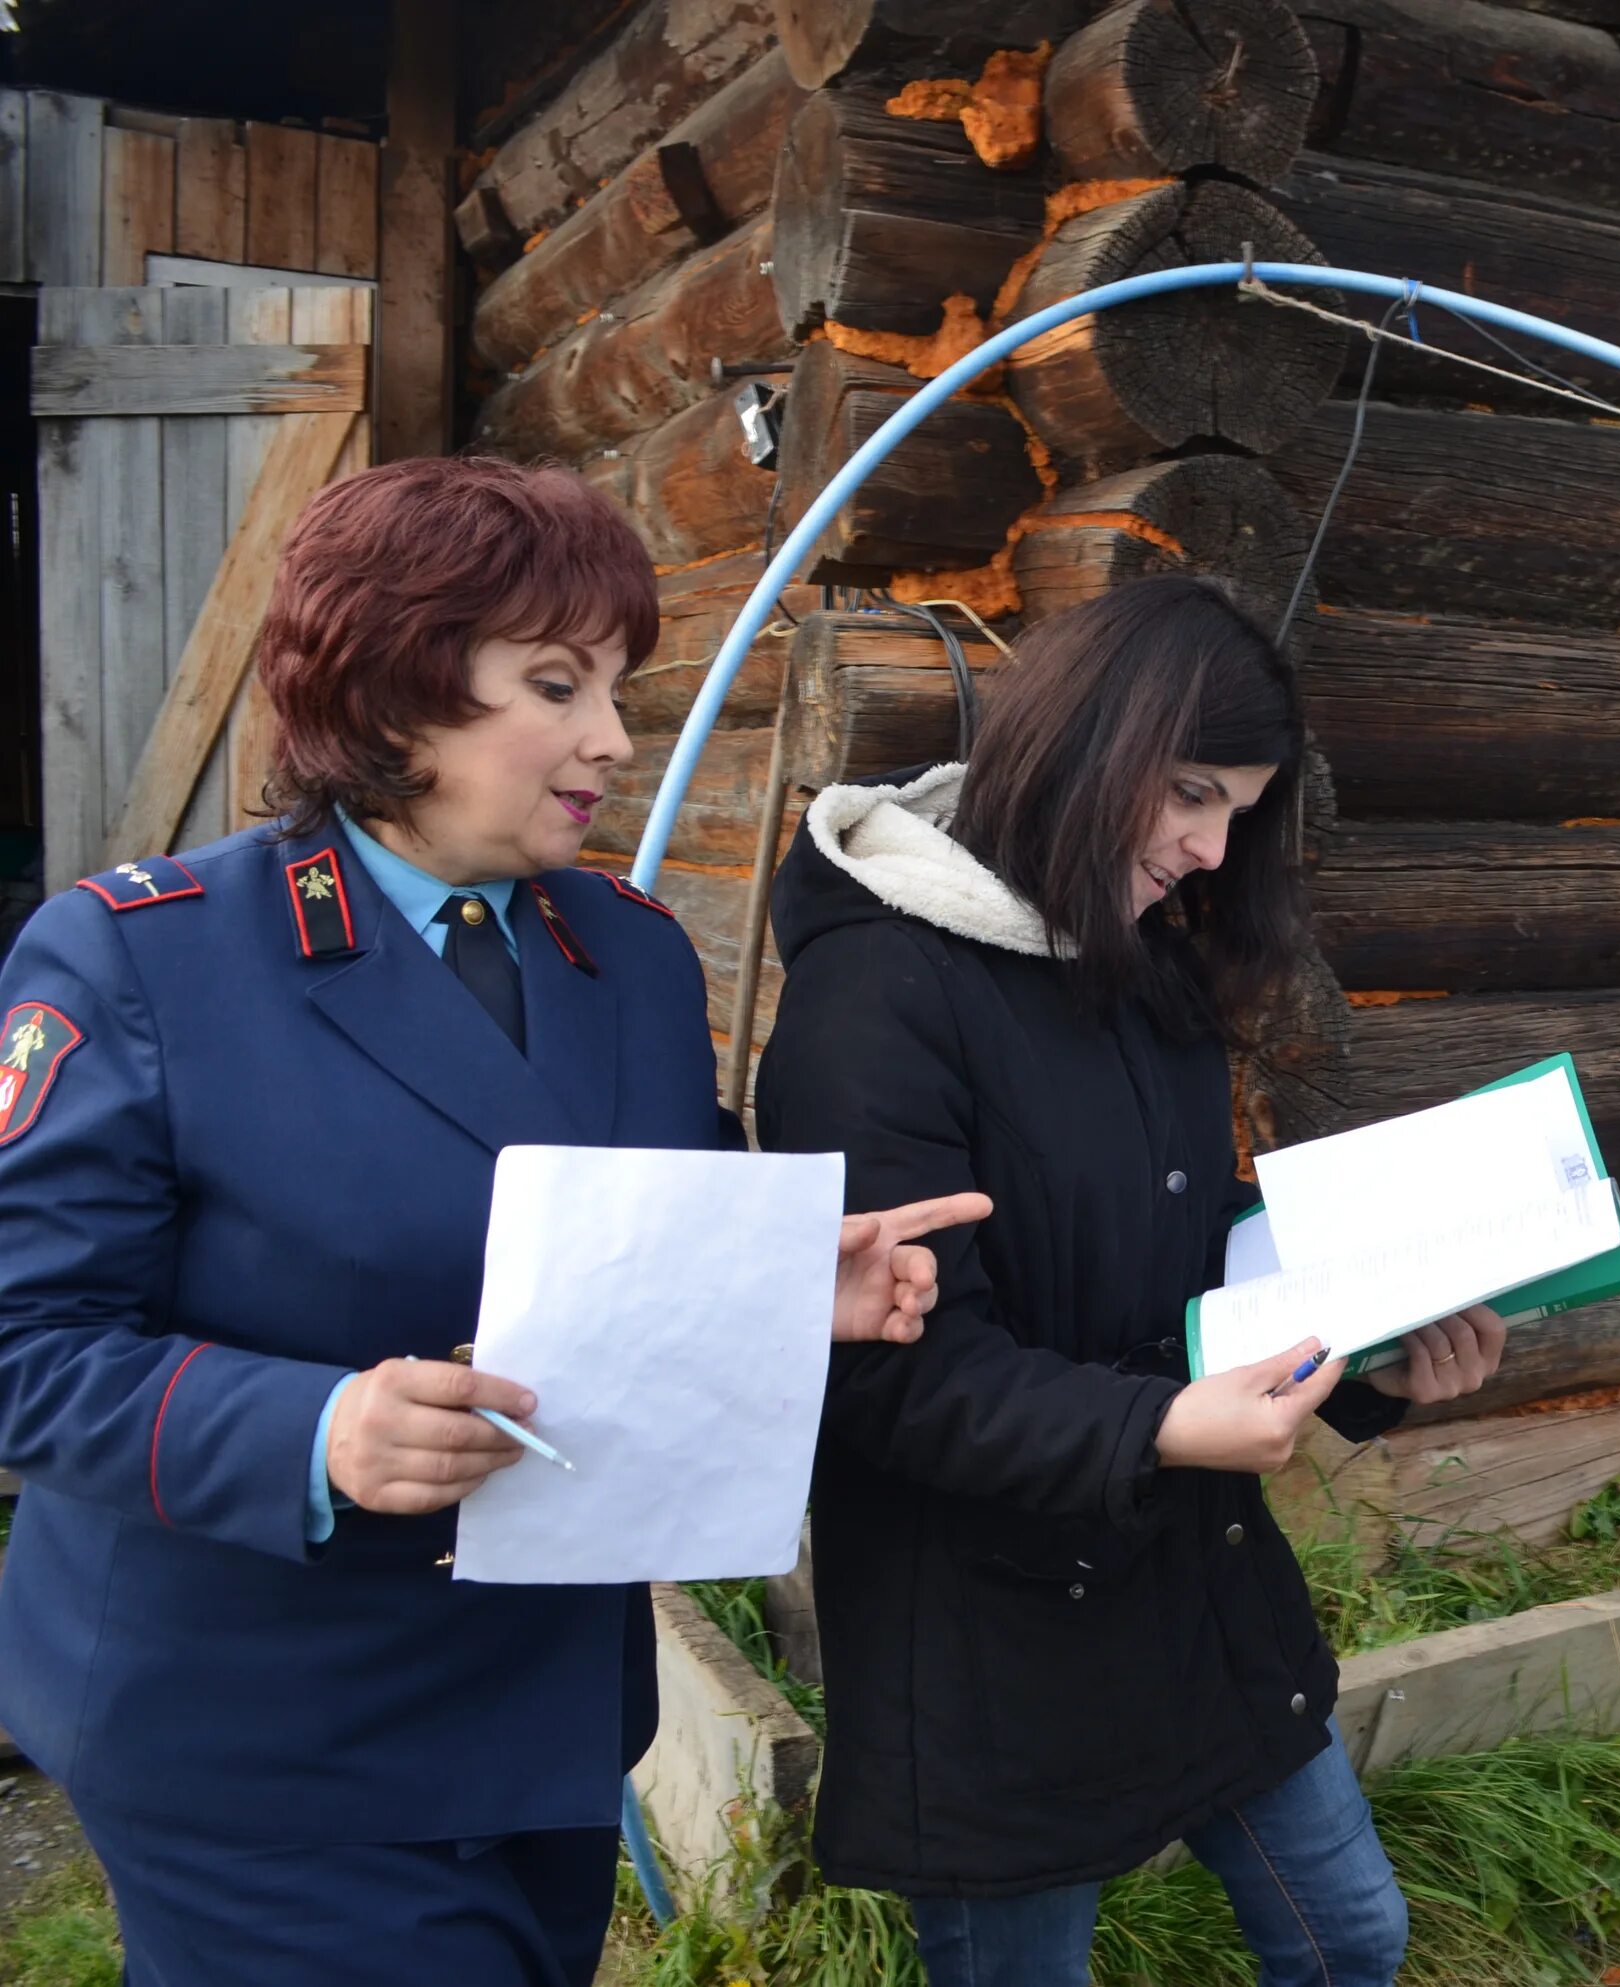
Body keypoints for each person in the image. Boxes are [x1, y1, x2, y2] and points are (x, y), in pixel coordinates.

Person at [0, 457, 987, 1986]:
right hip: (264, 1733)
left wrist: (785, 1286)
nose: (612, 738)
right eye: (555, 682)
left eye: (618, 684)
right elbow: (26, 1346)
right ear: (392, 691)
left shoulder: (634, 958)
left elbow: (622, 1248)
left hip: (545, 1709)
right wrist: (311, 1431)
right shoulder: (144, 961)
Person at [756, 575, 1509, 1986]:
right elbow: (891, 1372)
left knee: (1350, 1937)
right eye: (1189, 792)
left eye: (1235, 809)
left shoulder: (1138, 959)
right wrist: (1161, 1427)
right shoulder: (873, 1001)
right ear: (1083, 738)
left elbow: (1172, 1232)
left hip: (1194, 1586)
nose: (1210, 848)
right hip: (989, 1641)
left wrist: (1368, 1343)